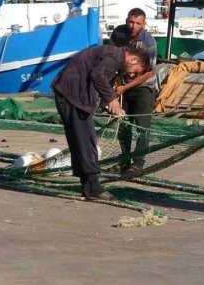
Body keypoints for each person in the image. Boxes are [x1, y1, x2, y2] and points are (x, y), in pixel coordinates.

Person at [52, 44, 151, 201]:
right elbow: (98, 74)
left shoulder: (113, 57)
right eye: (136, 71)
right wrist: (112, 100)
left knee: (80, 142)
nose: (132, 76)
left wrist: (105, 102)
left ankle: (88, 186)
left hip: (71, 95)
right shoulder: (114, 56)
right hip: (72, 96)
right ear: (132, 59)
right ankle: (94, 187)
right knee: (85, 141)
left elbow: (98, 78)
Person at [109, 8, 157, 179]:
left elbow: (148, 73)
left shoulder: (148, 43)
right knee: (124, 125)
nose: (133, 26)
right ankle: (125, 160)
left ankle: (138, 164)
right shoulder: (118, 33)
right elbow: (111, 56)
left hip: (143, 87)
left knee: (142, 127)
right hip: (122, 84)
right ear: (126, 19)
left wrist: (124, 88)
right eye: (130, 21)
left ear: (144, 24)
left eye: (137, 23)